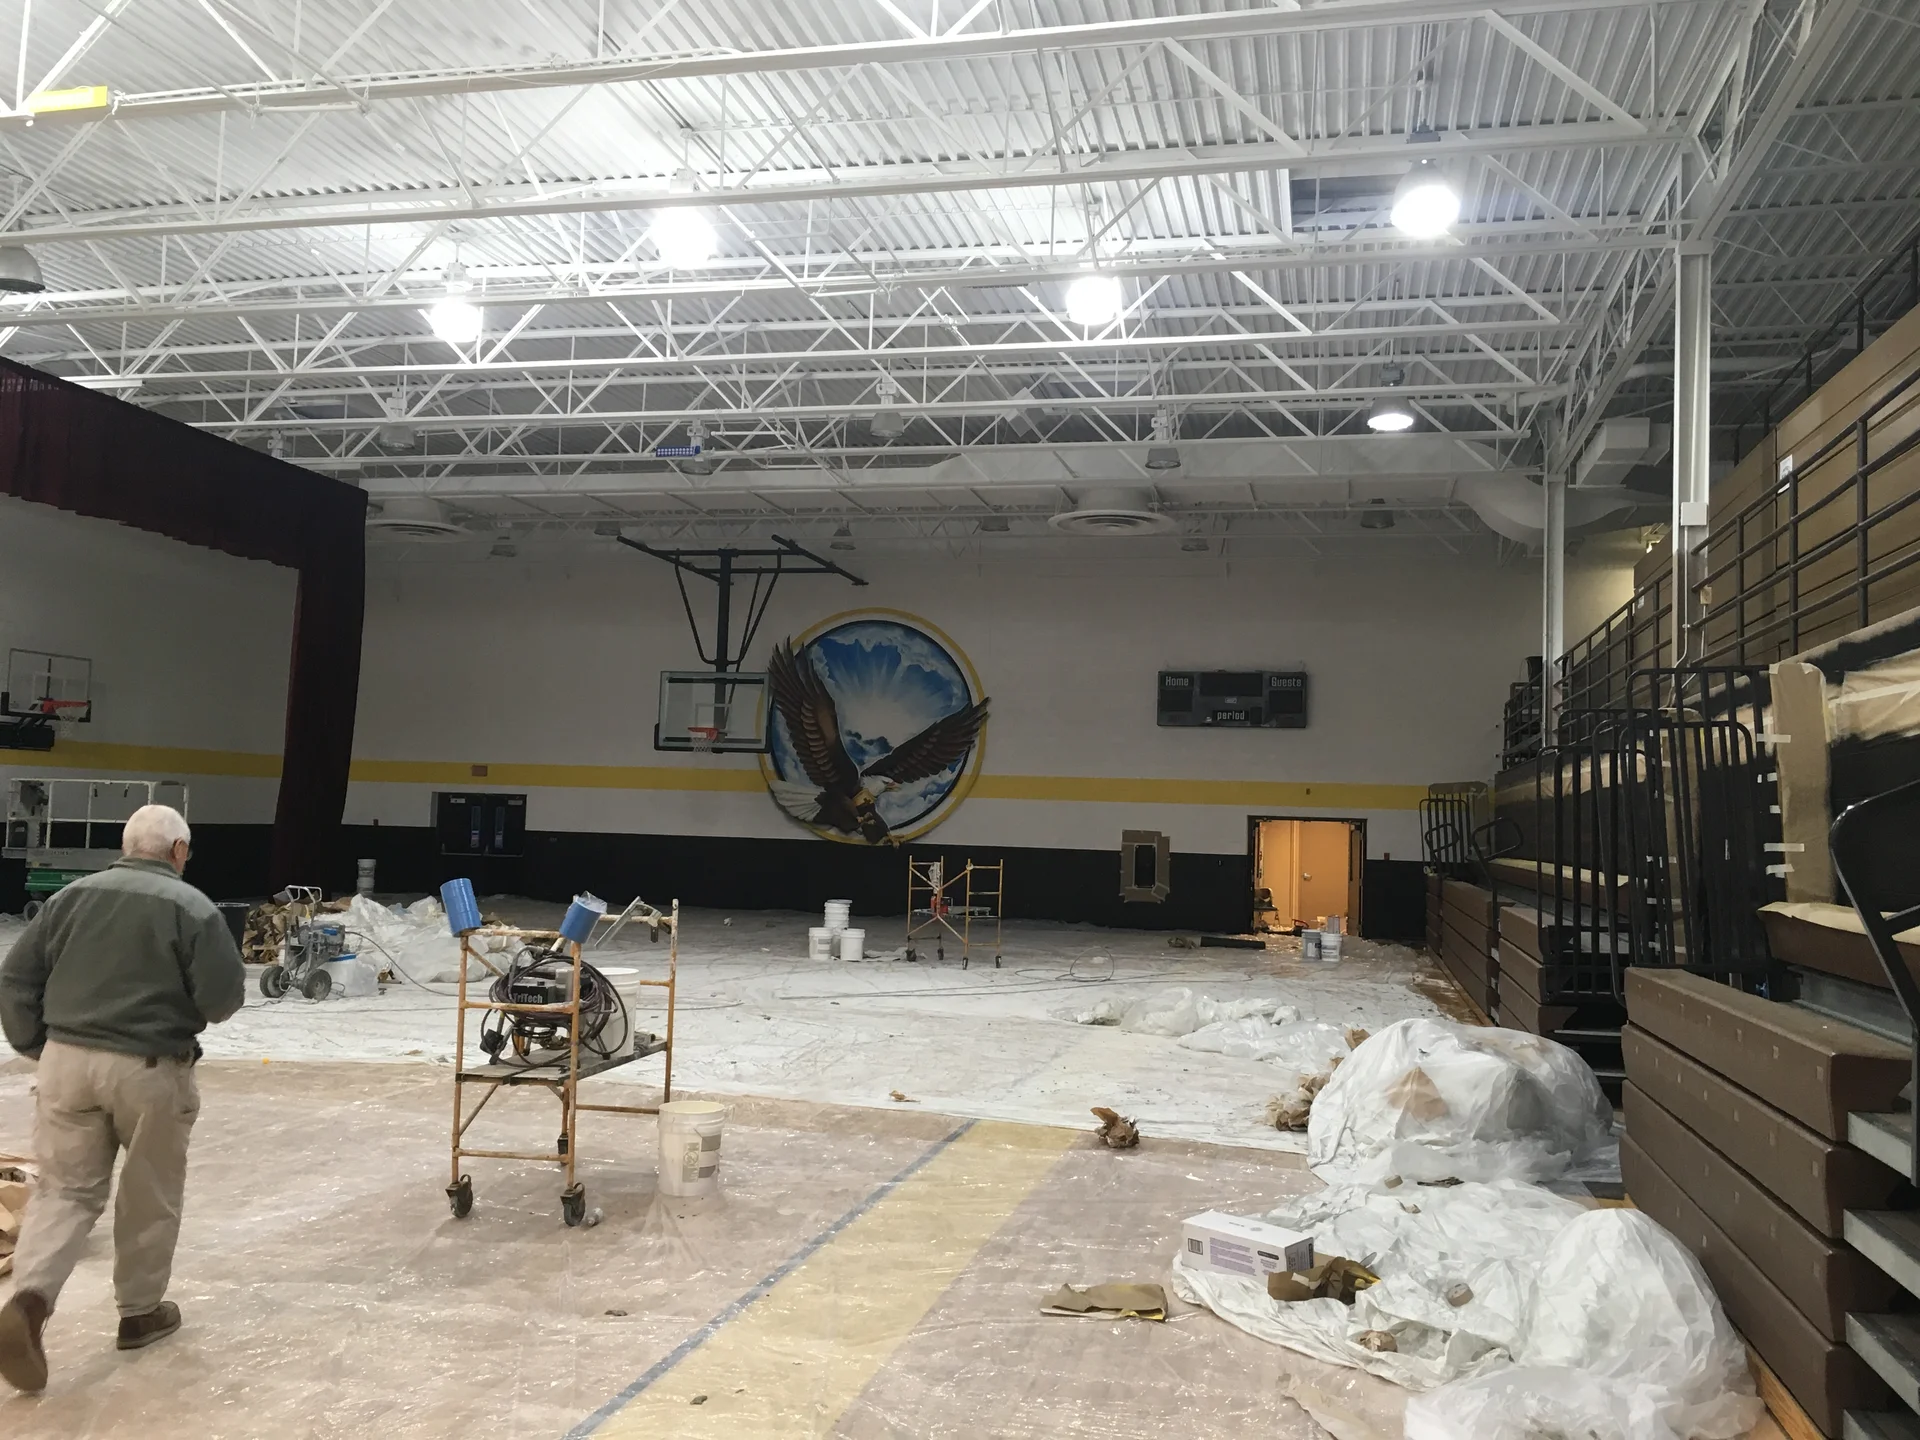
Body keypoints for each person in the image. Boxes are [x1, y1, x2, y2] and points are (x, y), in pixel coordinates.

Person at [0, 804, 245, 1393]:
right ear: (179, 852)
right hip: (149, 1067)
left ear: (125, 845)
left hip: (64, 1062)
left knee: (65, 1191)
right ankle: (139, 1313)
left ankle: (29, 1304)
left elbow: (15, 977)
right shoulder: (193, 908)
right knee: (148, 1190)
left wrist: (37, 1043)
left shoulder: (68, 900)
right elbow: (221, 999)